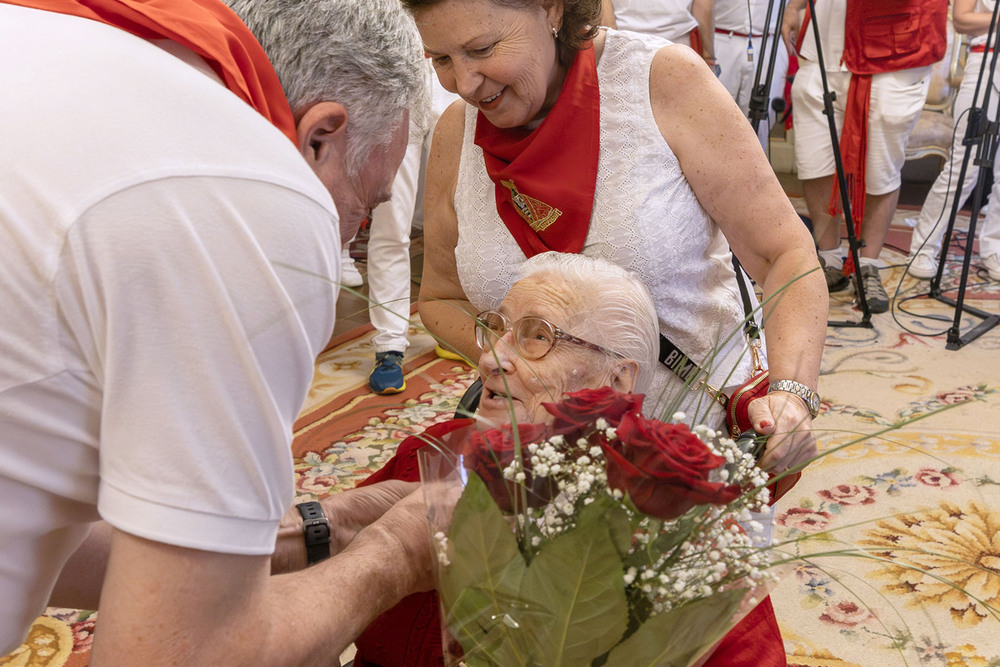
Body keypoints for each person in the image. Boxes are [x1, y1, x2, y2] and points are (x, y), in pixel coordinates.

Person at [0, 0, 436, 661]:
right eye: (362, 208)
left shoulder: (78, 45)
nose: (348, 248)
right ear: (319, 137)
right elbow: (182, 652)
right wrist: (396, 555)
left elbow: (33, 506)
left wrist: (325, 527)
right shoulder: (254, 188)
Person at [411, 0, 827, 479]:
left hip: (689, 447)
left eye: (481, 49)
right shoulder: (454, 134)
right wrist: (529, 358)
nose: (463, 84)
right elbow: (441, 298)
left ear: (551, 9)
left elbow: (786, 254)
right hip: (537, 455)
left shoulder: (661, 82)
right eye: (440, 59)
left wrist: (794, 393)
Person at [351, 252, 788, 667]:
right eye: (496, 328)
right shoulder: (431, 455)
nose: (489, 359)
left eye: (537, 336)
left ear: (617, 379)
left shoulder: (676, 522)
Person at [782, 0, 948, 312]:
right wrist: (794, 6)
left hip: (895, 46)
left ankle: (867, 263)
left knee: (880, 168)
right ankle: (829, 258)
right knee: (815, 160)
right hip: (822, 45)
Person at [367, 64, 462, 394]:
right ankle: (389, 346)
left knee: (466, 211)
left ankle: (456, 322)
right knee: (391, 225)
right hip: (396, 80)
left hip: (452, 72)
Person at [908, 0, 1000, 282]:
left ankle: (994, 248)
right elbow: (961, 19)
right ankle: (923, 247)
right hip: (985, 61)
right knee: (964, 166)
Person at [714, 0, 789, 147]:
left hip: (769, 40)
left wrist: (793, 7)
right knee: (712, 121)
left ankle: (752, 168)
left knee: (759, 128)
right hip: (720, 38)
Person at [600, 0, 717, 70]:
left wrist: (611, 47)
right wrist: (708, 56)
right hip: (680, 46)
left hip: (626, 44)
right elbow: (704, 6)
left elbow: (604, 11)